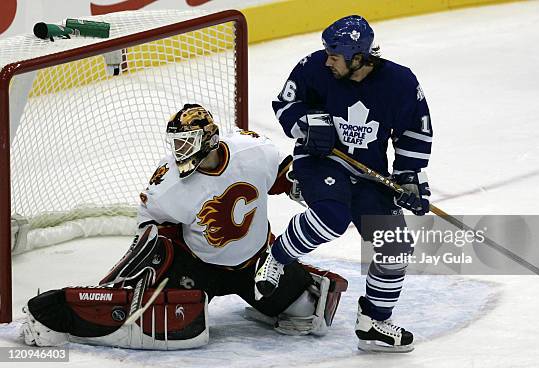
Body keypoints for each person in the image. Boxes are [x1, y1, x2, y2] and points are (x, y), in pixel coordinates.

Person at [21, 104, 347, 350]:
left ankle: (271, 292)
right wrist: (148, 263)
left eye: (187, 143)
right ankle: (64, 311)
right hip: (197, 266)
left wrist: (321, 193)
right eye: (177, 143)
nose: (180, 151)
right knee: (178, 327)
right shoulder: (169, 182)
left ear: (210, 138)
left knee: (308, 310)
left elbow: (284, 178)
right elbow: (150, 227)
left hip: (256, 263)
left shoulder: (254, 150)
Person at [254, 15, 432, 353]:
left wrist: (409, 178)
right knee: (331, 217)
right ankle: (276, 258)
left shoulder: (400, 82)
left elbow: (414, 131)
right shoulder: (313, 69)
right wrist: (310, 123)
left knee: (394, 246)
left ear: (359, 58)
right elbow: (285, 104)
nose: (327, 60)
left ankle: (373, 323)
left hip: (369, 172)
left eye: (335, 56)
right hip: (321, 160)